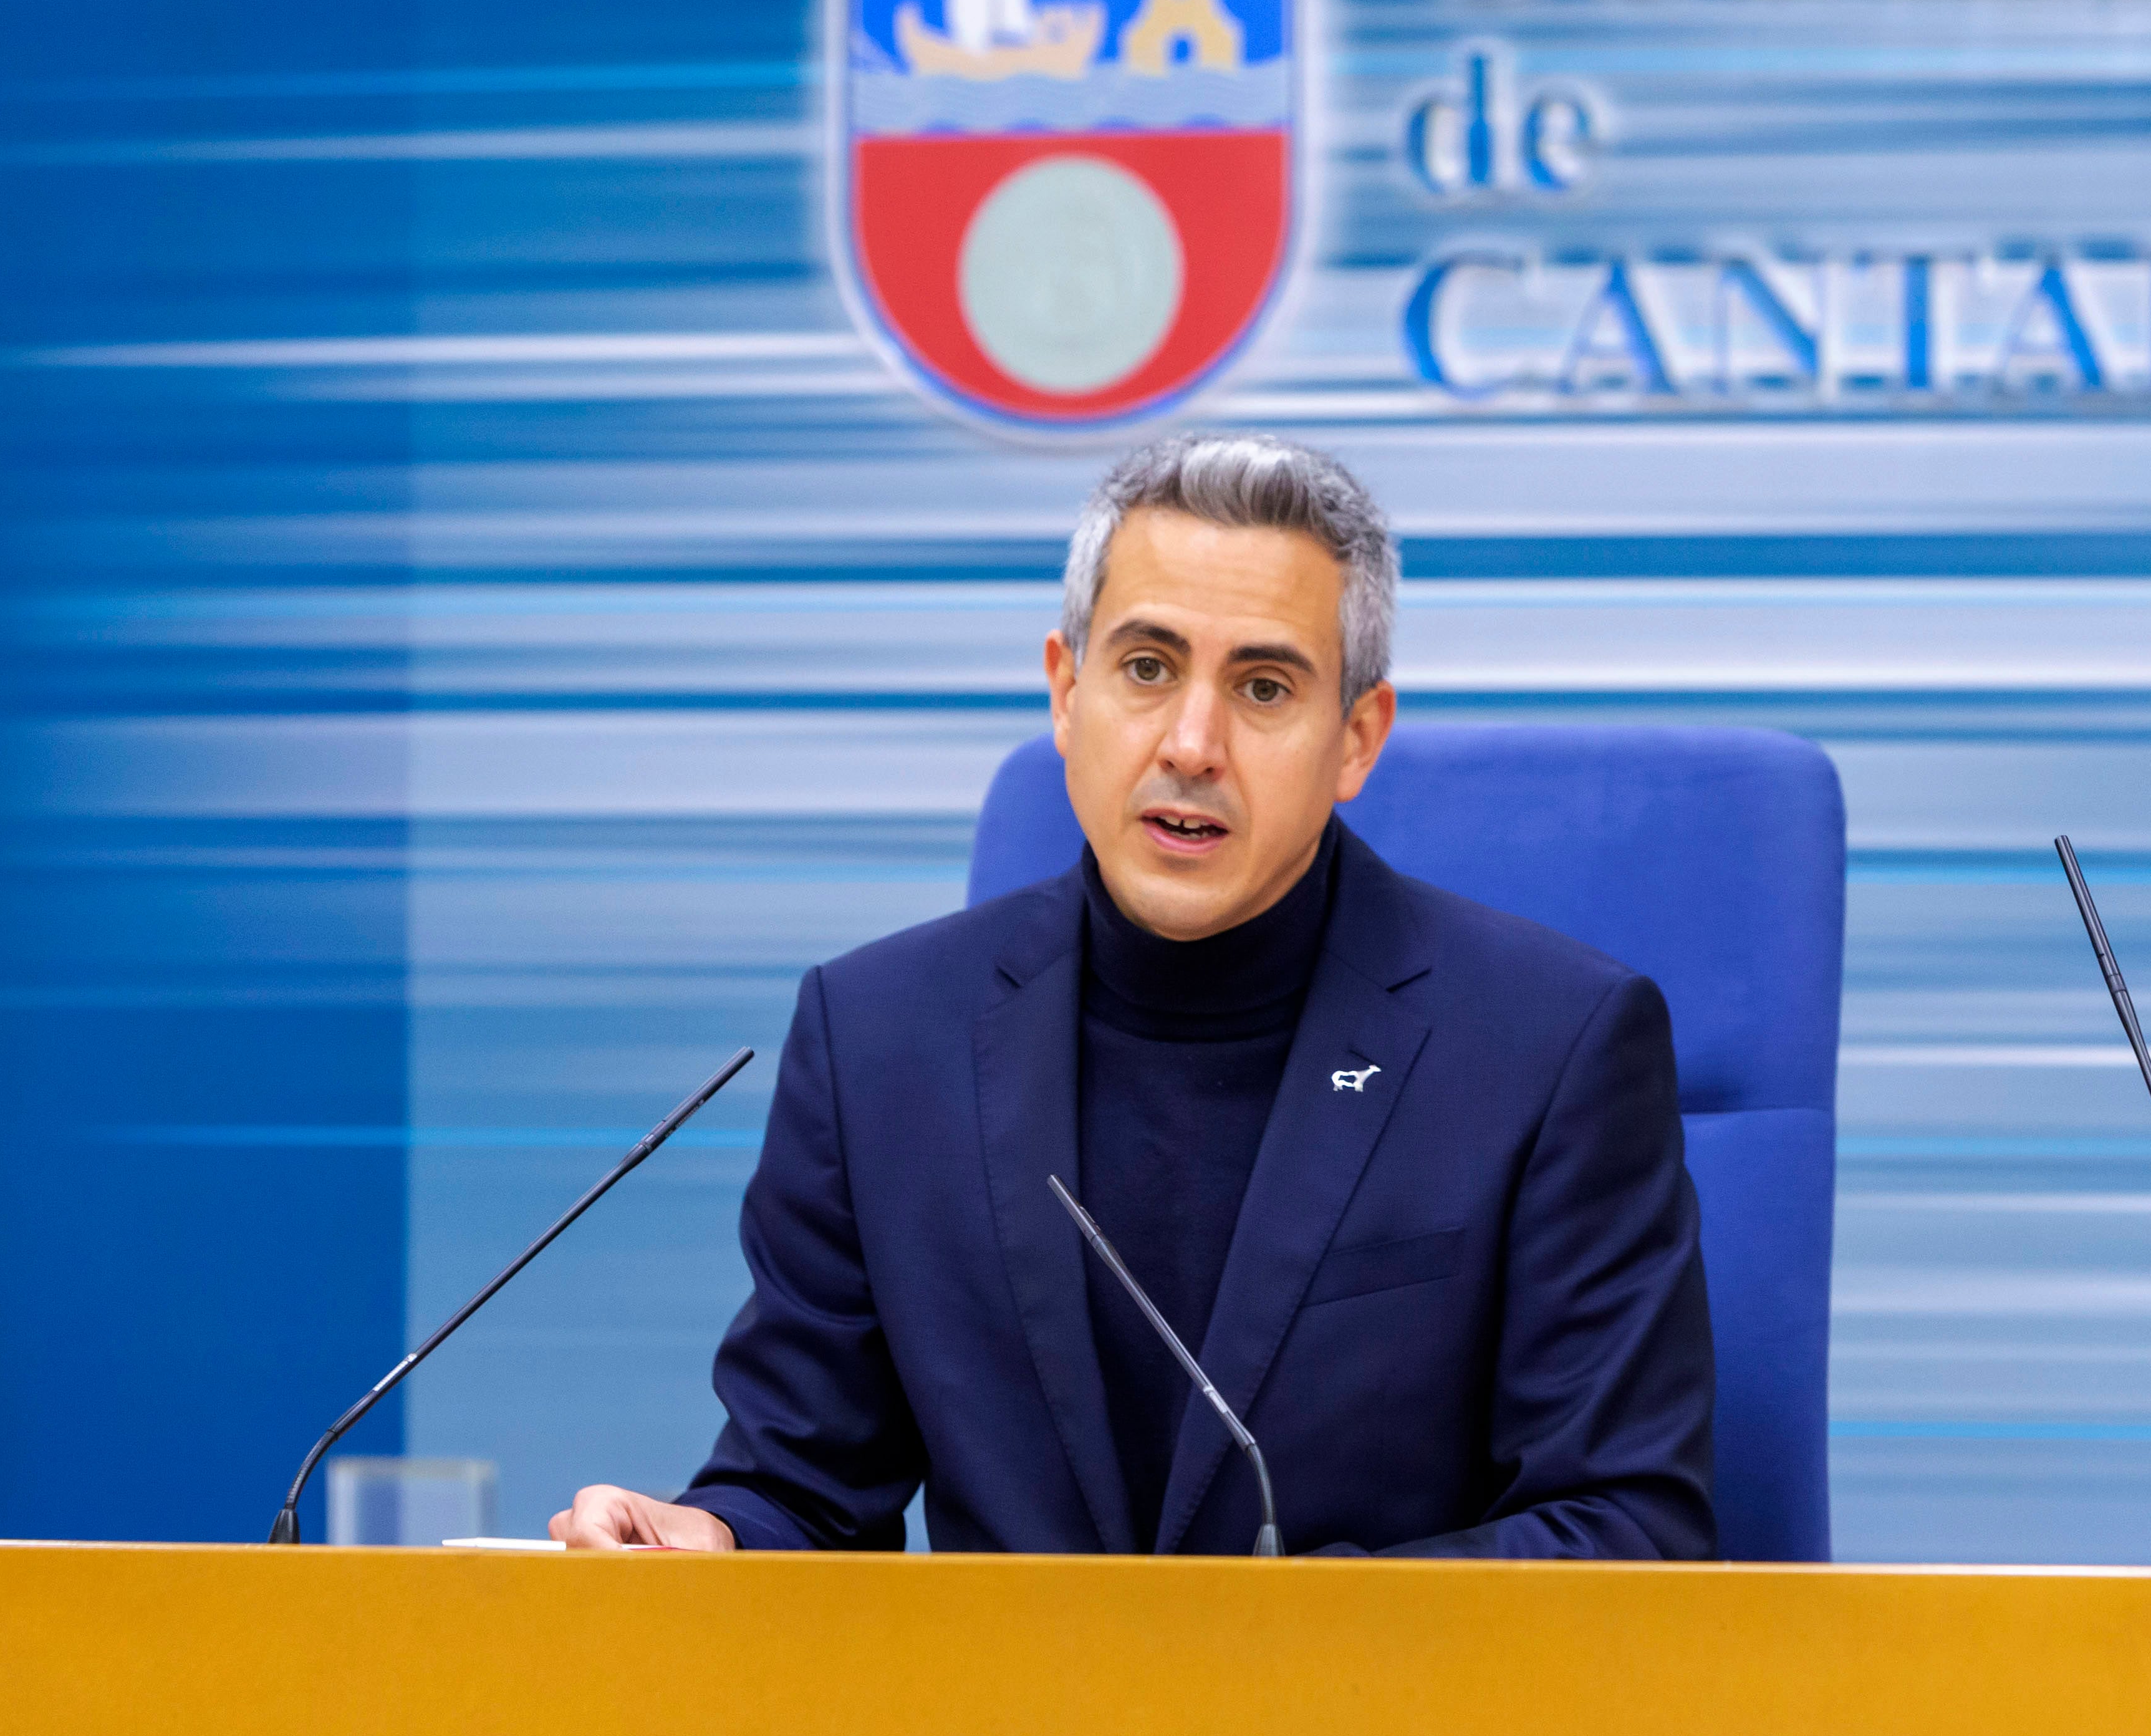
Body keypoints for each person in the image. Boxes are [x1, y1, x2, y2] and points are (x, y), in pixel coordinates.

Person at [551, 433, 1715, 1557]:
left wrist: (1249, 1655)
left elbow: (1623, 1530)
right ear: (1066, 692)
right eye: (1147, 669)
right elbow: (802, 1490)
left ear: (1356, 739)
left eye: (1263, 687)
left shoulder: (1547, 1049)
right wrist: (714, 1535)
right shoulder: (880, 1043)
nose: (1192, 743)